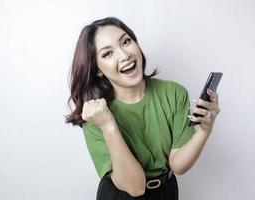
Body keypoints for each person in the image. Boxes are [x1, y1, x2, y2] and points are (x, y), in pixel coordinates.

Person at [65, 17, 221, 200]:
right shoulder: (95, 114)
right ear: (98, 69)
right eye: (108, 54)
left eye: (126, 41)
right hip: (120, 195)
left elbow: (178, 165)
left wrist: (204, 130)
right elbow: (135, 187)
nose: (124, 55)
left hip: (166, 191)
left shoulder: (174, 93)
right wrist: (108, 125)